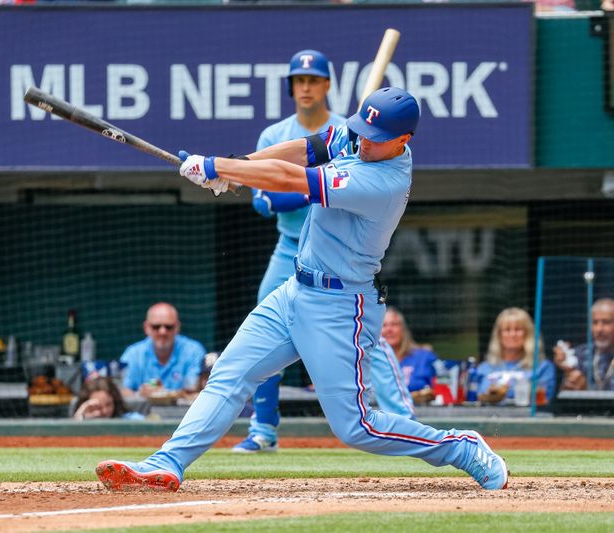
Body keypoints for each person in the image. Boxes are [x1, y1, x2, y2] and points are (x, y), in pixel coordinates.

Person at [95, 86, 508, 493]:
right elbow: (304, 150)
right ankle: (167, 461)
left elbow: (292, 178)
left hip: (340, 305)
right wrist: (237, 166)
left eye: (376, 138)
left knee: (357, 428)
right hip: (295, 289)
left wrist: (218, 166)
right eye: (362, 130)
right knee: (229, 374)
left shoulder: (383, 183)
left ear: (404, 140)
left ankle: (460, 446)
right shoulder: (362, 139)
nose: (363, 141)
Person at [233, 49, 346, 453]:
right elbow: (263, 202)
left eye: (313, 80)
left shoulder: (345, 133)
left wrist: (299, 187)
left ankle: (376, 418)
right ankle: (263, 429)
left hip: (334, 250)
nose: (306, 87)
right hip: (289, 247)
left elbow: (347, 193)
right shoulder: (273, 136)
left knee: (351, 338)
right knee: (263, 329)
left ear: (327, 85)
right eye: (300, 81)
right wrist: (310, 188)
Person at [118, 302, 206, 399]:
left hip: (184, 412)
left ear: (177, 327)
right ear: (146, 328)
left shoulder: (194, 351)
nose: (162, 332)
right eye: (156, 327)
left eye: (168, 327)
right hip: (144, 412)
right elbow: (122, 391)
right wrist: (139, 394)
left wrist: (164, 394)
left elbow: (196, 389)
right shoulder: (133, 354)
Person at [476, 307, 556, 404]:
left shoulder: (542, 367)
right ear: (499, 335)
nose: (512, 334)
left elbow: (543, 402)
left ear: (528, 333)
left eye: (518, 329)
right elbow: (473, 400)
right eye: (507, 329)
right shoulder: (484, 367)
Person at [381, 307, 451, 395]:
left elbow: (447, 385)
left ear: (403, 329)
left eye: (394, 324)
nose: (389, 330)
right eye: (383, 325)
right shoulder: (368, 362)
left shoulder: (425, 357)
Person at [554, 298, 614, 392]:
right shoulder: (581, 353)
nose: (599, 329)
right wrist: (568, 371)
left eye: (606, 322)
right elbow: (564, 397)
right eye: (595, 322)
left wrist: (587, 390)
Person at [72, 376, 143, 421]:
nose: (105, 411)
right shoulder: (82, 418)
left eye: (108, 404)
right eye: (98, 406)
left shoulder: (131, 420)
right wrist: (80, 416)